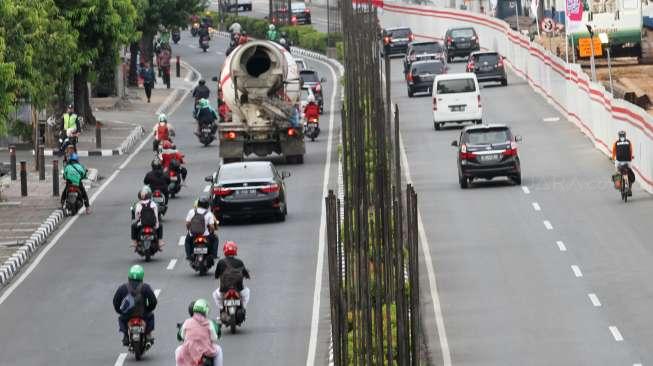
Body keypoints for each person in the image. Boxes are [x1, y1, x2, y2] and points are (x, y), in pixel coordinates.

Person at [112, 265, 157, 346]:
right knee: (151, 316)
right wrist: (148, 309)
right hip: (142, 315)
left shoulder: (122, 288)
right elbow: (153, 302)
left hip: (127, 315)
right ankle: (148, 334)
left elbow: (116, 302)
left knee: (121, 319)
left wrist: (121, 311)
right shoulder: (145, 287)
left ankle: (125, 335)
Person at [175, 299, 223, 366]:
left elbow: (182, 336)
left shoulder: (187, 322)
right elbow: (214, 338)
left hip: (189, 351)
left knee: (178, 350)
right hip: (206, 351)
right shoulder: (209, 323)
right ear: (206, 310)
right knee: (219, 350)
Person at [212, 241, 250, 312]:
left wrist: (217, 276)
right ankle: (243, 308)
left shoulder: (221, 262)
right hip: (238, 288)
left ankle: (221, 308)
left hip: (224, 289)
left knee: (215, 295)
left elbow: (216, 274)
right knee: (247, 292)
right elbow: (245, 273)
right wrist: (247, 276)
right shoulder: (240, 262)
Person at [184, 196, 218, 261]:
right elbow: (212, 227)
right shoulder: (209, 214)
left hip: (193, 235)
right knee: (215, 239)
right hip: (205, 235)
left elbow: (187, 223)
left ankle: (188, 255)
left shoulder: (192, 211)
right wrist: (212, 232)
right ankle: (214, 255)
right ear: (207, 205)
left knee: (187, 241)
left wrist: (189, 230)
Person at [612, 130, 635, 195]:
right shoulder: (628, 142)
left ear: (619, 136)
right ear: (625, 135)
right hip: (628, 161)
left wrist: (613, 158)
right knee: (629, 173)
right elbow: (631, 151)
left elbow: (614, 152)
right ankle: (630, 189)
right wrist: (631, 157)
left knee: (617, 172)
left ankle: (618, 184)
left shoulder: (616, 143)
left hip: (618, 161)